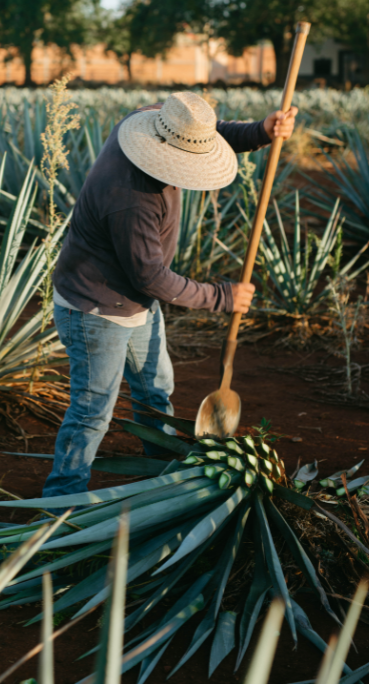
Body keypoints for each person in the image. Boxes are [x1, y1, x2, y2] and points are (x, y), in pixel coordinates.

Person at [43, 91, 297, 497]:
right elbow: (151, 278)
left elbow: (206, 133)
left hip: (134, 304)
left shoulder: (150, 123)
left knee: (155, 390)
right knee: (93, 411)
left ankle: (160, 479)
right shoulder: (131, 199)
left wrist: (258, 132)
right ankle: (60, 503)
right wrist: (221, 297)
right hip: (96, 309)